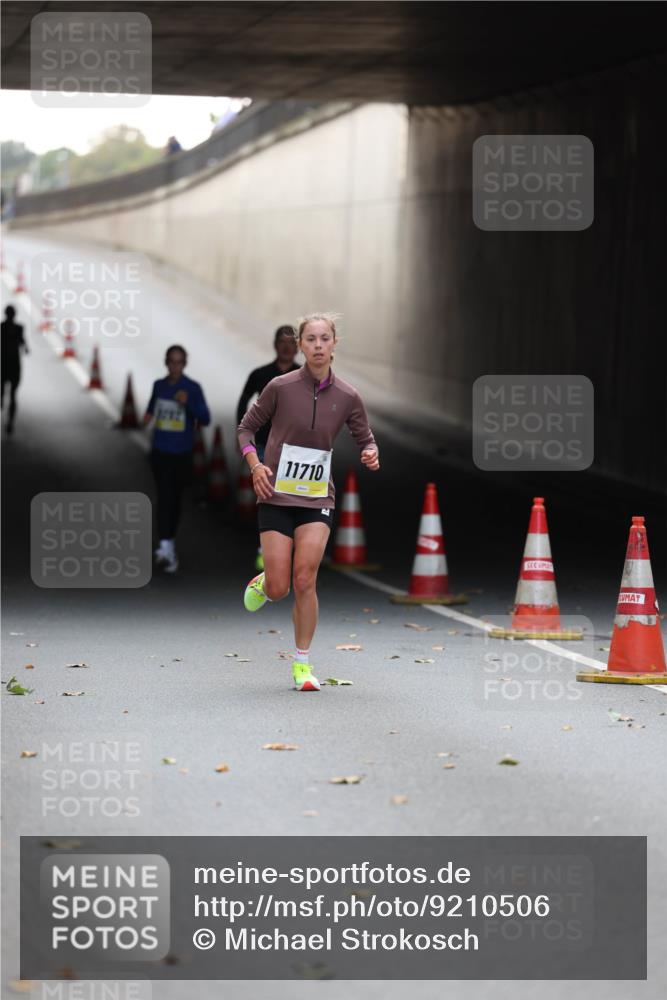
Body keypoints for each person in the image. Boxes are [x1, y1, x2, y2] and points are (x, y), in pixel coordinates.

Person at [237, 313, 380, 692]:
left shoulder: (348, 395)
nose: (318, 345)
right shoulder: (280, 387)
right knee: (282, 586)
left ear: (335, 344)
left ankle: (302, 665)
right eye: (310, 339)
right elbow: (246, 428)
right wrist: (255, 466)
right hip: (276, 494)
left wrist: (370, 452)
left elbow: (365, 436)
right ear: (300, 346)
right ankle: (267, 582)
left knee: (306, 578)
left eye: (325, 339)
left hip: (317, 496)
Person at [237, 325, 300, 570]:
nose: (286, 347)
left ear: (298, 347)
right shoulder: (261, 374)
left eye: (291, 342)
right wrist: (242, 437)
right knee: (268, 495)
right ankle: (265, 549)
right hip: (264, 444)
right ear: (275, 345)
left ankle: (288, 547)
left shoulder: (304, 376)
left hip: (296, 449)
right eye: (282, 342)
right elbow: (243, 402)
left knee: (292, 497)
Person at [144, 345, 210, 573]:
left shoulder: (192, 388)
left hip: (182, 453)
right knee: (164, 497)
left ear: (184, 364)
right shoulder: (159, 386)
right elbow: (151, 411)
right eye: (171, 361)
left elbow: (206, 418)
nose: (175, 366)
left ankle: (168, 540)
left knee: (176, 500)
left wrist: (188, 404)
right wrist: (143, 423)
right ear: (166, 362)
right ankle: (165, 546)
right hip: (160, 452)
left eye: (179, 362)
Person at [1, 305, 29, 433]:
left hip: (5, 365)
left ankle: (10, 421)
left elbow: (24, 344)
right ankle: (10, 422)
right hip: (13, 365)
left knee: (8, 394)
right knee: (12, 395)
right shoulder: (18, 328)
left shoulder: (3, 328)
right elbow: (24, 345)